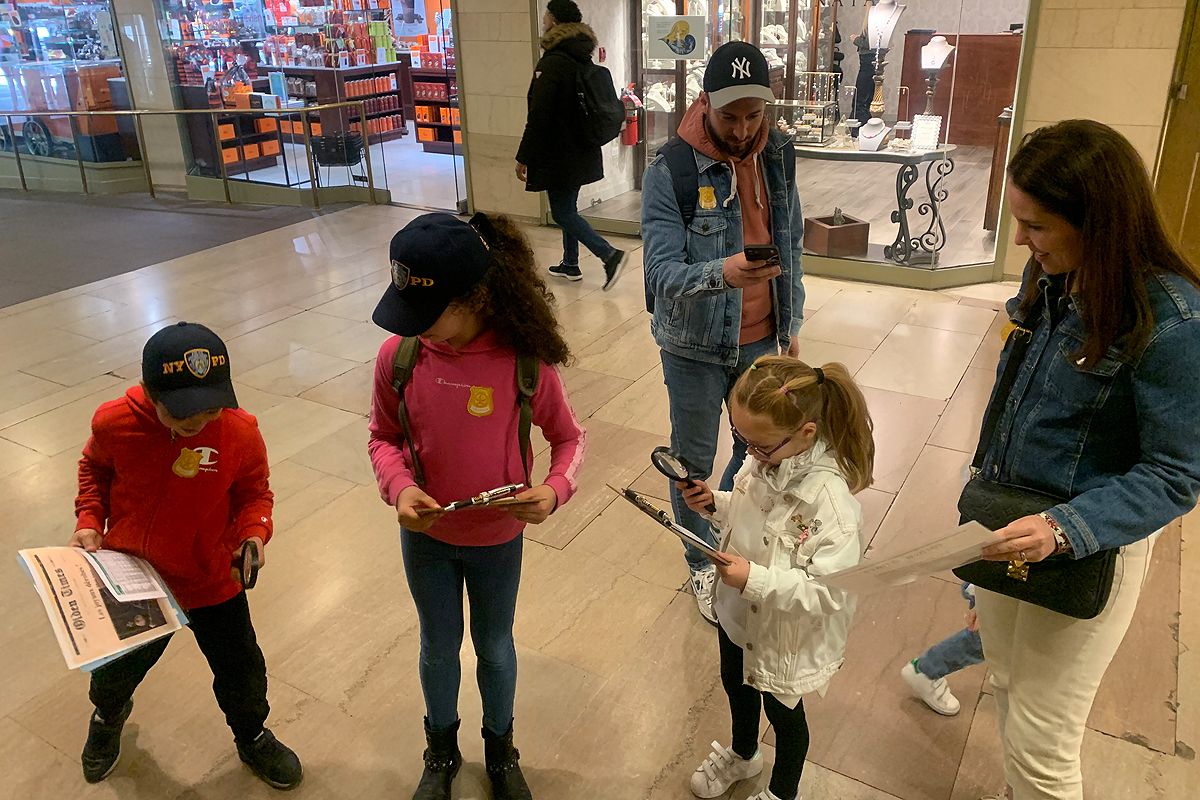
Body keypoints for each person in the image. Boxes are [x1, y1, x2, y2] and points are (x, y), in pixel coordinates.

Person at [967, 119, 1200, 800]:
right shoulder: (1054, 282)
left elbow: (1176, 473)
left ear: (1096, 222)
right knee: (1006, 687)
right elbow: (1013, 406)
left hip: (1084, 546)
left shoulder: (1173, 325)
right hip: (1010, 523)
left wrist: (1064, 528)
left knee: (1043, 744)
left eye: (1035, 225)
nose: (1020, 242)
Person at [368, 212, 587, 800]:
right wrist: (399, 487)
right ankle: (440, 750)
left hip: (497, 541)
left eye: (429, 315)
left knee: (494, 647)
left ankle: (500, 746)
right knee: (437, 647)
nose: (417, 330)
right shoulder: (401, 358)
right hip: (427, 539)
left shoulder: (524, 361)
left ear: (478, 297)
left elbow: (569, 437)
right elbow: (382, 436)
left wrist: (554, 488)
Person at [70, 321, 301, 790]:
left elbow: (255, 494)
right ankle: (108, 716)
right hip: (135, 577)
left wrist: (253, 534)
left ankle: (252, 733)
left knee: (242, 670)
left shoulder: (240, 432)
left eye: (212, 406)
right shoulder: (114, 423)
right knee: (115, 670)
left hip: (211, 578)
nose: (198, 421)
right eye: (181, 412)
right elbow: (93, 469)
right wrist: (89, 520)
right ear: (149, 392)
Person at [642, 40, 805, 623]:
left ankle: (735, 537)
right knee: (692, 461)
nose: (741, 129)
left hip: (761, 338)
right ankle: (702, 565)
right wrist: (724, 272)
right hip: (692, 344)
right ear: (705, 101)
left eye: (753, 115)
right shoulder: (671, 170)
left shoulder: (778, 152)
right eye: (729, 115)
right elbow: (659, 273)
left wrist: (792, 323)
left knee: (757, 450)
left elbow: (791, 241)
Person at [678, 356, 874, 800]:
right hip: (737, 615)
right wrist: (715, 504)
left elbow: (830, 593)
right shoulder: (765, 459)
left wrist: (755, 579)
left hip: (784, 635)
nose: (749, 453)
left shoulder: (833, 507)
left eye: (760, 445)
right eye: (742, 439)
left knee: (785, 717)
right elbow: (754, 514)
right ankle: (744, 753)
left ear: (806, 433)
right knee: (734, 683)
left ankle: (783, 792)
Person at [515, 0, 628, 290]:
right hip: (583, 149)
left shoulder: (553, 63)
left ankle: (609, 255)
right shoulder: (581, 58)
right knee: (569, 206)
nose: (543, 19)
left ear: (554, 20)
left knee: (563, 212)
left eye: (546, 15)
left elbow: (539, 116)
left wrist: (523, 156)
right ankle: (570, 263)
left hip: (559, 153)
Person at [899, 583, 983, 716]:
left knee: (993, 636)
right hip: (1007, 578)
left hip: (1009, 577)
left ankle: (926, 669)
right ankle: (926, 670)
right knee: (986, 639)